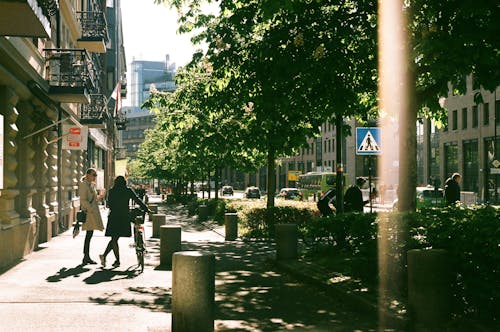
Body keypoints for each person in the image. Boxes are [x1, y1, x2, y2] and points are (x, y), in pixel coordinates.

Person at [99, 176, 150, 268]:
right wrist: (146, 208)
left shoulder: (112, 191)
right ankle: (110, 258)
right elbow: (137, 199)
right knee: (115, 239)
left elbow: (108, 204)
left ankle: (112, 259)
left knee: (114, 239)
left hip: (114, 216)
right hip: (124, 216)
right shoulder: (128, 190)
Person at [79, 168, 105, 265]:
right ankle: (86, 256)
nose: (95, 177)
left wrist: (100, 196)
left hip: (93, 213)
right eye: (94, 175)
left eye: (96, 175)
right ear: (88, 175)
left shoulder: (91, 185)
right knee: (88, 234)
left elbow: (93, 199)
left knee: (89, 234)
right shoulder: (84, 185)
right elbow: (83, 200)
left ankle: (86, 256)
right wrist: (90, 209)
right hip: (89, 213)